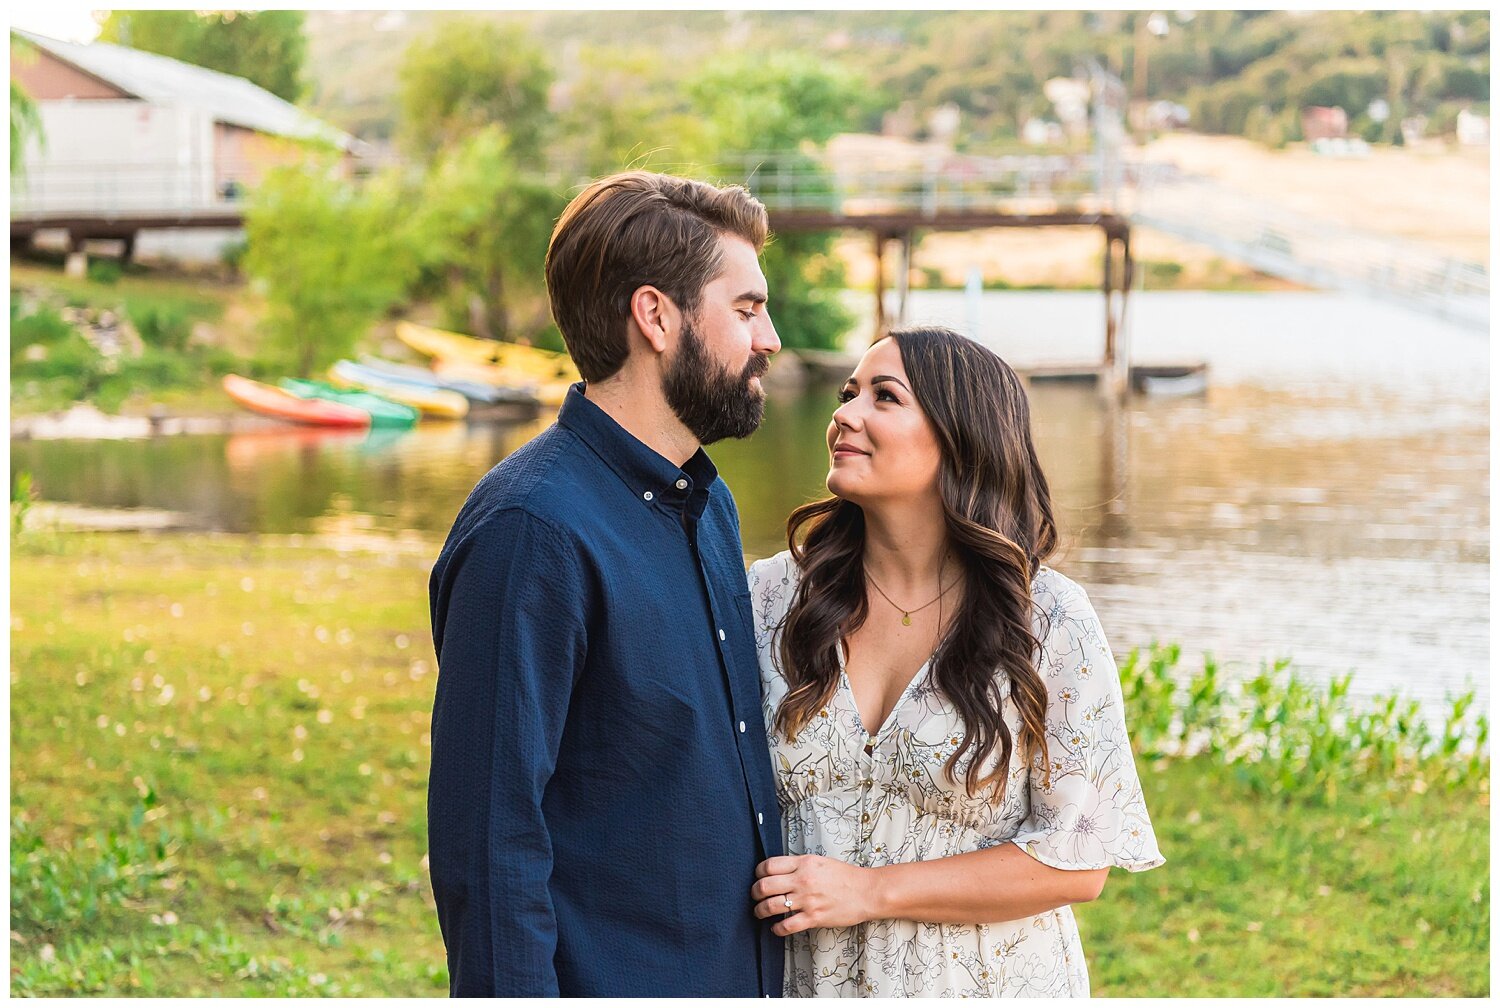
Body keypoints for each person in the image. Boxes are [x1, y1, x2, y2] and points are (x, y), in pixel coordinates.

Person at [427, 171, 785, 996]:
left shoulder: (708, 500)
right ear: (656, 317)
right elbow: (488, 843)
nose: (770, 337)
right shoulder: (532, 532)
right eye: (746, 308)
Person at [745, 325, 1164, 997]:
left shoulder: (1047, 619)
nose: (844, 414)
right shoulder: (770, 597)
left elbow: (1079, 860)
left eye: (885, 397)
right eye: (850, 392)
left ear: (960, 435)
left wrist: (870, 891)